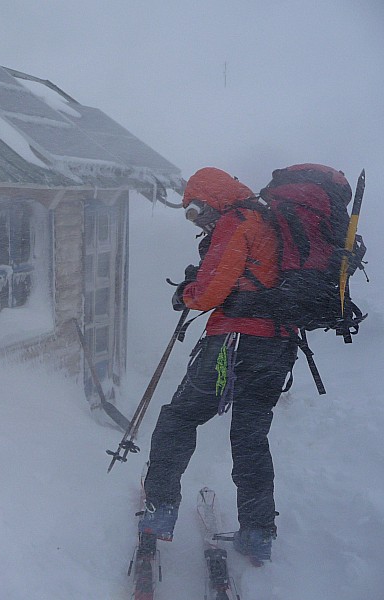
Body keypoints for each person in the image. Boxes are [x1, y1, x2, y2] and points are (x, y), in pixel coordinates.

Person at [138, 167, 298, 564]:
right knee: (250, 436)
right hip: (277, 343)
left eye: (194, 209)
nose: (196, 218)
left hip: (236, 339)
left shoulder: (236, 221)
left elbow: (210, 292)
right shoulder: (268, 222)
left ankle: (161, 511)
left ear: (212, 199)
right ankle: (258, 532)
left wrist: (186, 294)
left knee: (179, 417)